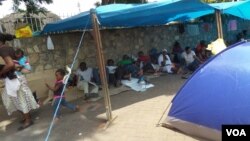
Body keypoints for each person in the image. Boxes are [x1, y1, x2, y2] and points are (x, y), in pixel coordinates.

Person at [0, 33, 39, 130]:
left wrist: (0, 73)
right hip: (17, 77)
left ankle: (28, 120)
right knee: (15, 99)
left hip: (15, 79)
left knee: (19, 99)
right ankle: (27, 117)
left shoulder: (2, 49)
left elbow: (10, 65)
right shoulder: (9, 48)